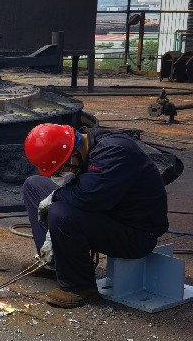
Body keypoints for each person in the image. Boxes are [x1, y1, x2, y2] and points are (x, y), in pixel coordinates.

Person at [22, 123, 168, 308]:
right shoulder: (86, 146)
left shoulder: (115, 152)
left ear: (73, 155)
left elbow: (88, 197)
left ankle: (80, 287)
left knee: (60, 213)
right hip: (108, 215)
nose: (59, 175)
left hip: (135, 234)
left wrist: (55, 197)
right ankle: (55, 263)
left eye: (60, 170)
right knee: (34, 186)